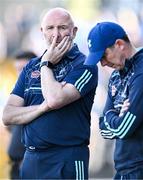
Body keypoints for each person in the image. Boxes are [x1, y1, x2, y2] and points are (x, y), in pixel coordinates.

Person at [2, 7, 98, 179]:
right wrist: (41, 108)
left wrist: (46, 64)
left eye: (62, 27)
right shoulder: (31, 66)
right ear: (42, 32)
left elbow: (54, 100)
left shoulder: (85, 65)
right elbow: (8, 115)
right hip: (31, 159)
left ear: (74, 31)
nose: (56, 34)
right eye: (50, 28)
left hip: (67, 158)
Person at [84, 21, 143, 179]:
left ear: (120, 44)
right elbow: (104, 129)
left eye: (103, 55)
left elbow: (123, 129)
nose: (102, 63)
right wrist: (114, 116)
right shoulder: (116, 76)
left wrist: (110, 115)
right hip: (123, 170)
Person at [7, 51, 37, 179]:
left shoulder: (39, 96)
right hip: (15, 167)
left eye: (23, 69)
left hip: (31, 167)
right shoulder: (17, 95)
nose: (20, 74)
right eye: (17, 69)